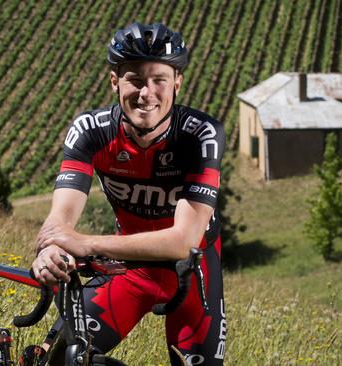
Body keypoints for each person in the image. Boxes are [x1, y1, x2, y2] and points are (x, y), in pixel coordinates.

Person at [30, 22, 227, 365]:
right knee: (57, 360)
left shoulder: (199, 135)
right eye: (135, 79)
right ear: (114, 82)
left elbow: (184, 240)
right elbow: (60, 219)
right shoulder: (91, 131)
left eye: (158, 80)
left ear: (176, 83)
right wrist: (50, 248)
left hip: (192, 277)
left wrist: (87, 244)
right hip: (128, 273)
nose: (146, 93)